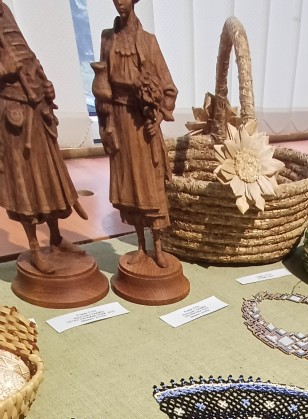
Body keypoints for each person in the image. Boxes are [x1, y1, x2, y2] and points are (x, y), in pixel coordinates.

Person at [0, 1, 86, 274]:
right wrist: (4, 69)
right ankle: (34, 247)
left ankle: (56, 237)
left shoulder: (4, 10)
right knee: (25, 182)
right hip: (12, 113)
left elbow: (28, 56)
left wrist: (45, 84)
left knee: (48, 177)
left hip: (35, 108)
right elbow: (10, 64)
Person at [93, 0, 177, 268]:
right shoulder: (108, 38)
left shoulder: (148, 41)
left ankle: (158, 247)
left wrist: (159, 117)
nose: (120, 2)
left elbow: (168, 88)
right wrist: (106, 122)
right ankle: (140, 246)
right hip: (119, 121)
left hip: (143, 123)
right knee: (130, 184)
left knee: (151, 183)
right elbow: (102, 82)